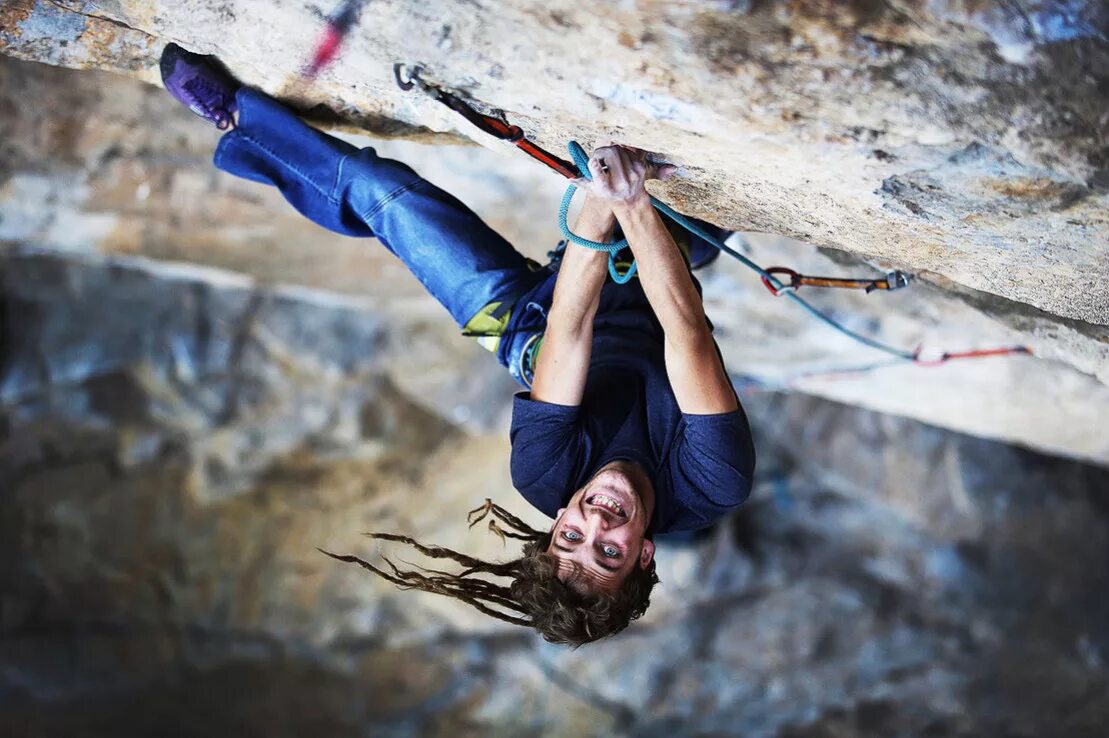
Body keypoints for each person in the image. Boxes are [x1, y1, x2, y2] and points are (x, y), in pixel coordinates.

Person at [160, 43, 755, 646]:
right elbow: (686, 337)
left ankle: (241, 124)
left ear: (553, 529)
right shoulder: (711, 484)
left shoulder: (541, 475)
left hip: (533, 328)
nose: (594, 520)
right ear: (645, 555)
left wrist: (597, 215)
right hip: (656, 297)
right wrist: (629, 204)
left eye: (570, 536)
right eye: (608, 551)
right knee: (711, 192)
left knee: (384, 195)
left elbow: (569, 332)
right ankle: (692, 239)